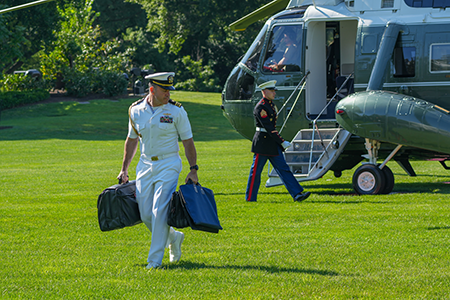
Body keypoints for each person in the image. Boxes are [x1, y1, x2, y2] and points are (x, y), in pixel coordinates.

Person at [117, 72, 199, 269]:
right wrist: (124, 169)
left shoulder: (177, 111)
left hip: (169, 163)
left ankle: (154, 261)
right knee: (145, 214)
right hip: (145, 165)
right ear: (152, 89)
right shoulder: (135, 110)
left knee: (160, 210)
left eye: (170, 90)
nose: (168, 94)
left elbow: (188, 142)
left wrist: (193, 169)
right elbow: (132, 140)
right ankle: (174, 237)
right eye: (164, 90)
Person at [245, 80, 311, 202]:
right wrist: (282, 141)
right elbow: (269, 128)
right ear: (264, 92)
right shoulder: (261, 107)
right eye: (272, 91)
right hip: (263, 143)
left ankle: (297, 194)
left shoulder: (270, 105)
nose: (274, 93)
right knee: (256, 172)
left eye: (274, 90)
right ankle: (250, 198)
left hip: (271, 143)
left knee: (284, 169)